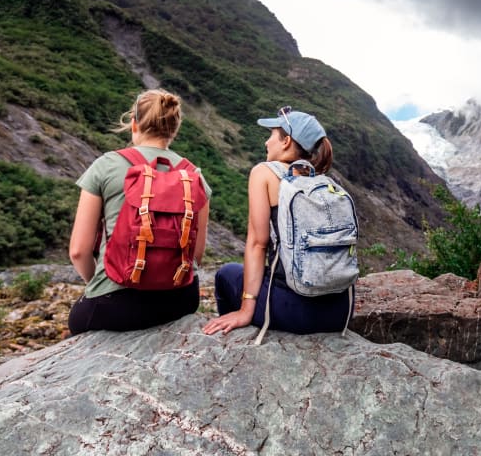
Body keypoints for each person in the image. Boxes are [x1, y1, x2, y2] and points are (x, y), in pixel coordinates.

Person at [67, 89, 211, 334]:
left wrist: (98, 285)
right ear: (174, 129)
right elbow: (196, 255)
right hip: (181, 300)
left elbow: (78, 251)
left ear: (134, 124)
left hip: (115, 305)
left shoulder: (106, 165)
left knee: (77, 320)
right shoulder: (194, 176)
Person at [203, 107, 353, 336]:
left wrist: (245, 310)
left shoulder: (264, 173)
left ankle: (232, 338)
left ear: (286, 142)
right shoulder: (324, 183)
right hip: (340, 312)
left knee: (227, 274)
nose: (266, 142)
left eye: (271, 135)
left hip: (296, 312)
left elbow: (257, 244)